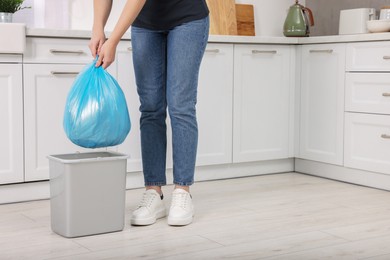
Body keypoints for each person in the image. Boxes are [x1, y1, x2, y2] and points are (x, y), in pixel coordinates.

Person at [89, 0, 209, 226]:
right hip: (145, 23)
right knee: (151, 108)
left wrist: (113, 39)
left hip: (187, 17)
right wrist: (97, 28)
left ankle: (182, 191)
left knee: (180, 106)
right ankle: (154, 192)